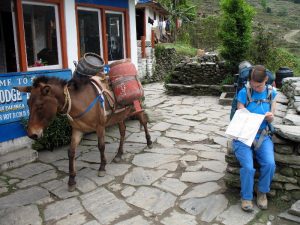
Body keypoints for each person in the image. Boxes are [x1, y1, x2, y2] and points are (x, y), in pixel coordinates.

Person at [232, 65, 277, 212]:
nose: (256, 88)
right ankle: (246, 197)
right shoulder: (245, 91)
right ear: (250, 80)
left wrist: (270, 117)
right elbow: (240, 113)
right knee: (248, 167)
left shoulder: (272, 93)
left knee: (270, 164)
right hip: (243, 135)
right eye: (253, 85)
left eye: (259, 85)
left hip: (262, 135)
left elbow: (272, 117)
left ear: (266, 80)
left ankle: (262, 192)